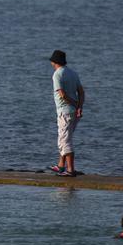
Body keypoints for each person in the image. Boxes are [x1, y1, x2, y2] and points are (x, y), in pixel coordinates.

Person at [48, 49, 84, 177]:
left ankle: (70, 170)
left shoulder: (57, 74)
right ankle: (61, 166)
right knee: (65, 138)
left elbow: (62, 94)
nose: (51, 63)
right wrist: (79, 106)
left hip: (65, 112)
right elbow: (81, 92)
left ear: (55, 62)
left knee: (64, 141)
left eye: (52, 61)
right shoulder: (73, 73)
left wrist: (75, 104)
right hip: (74, 113)